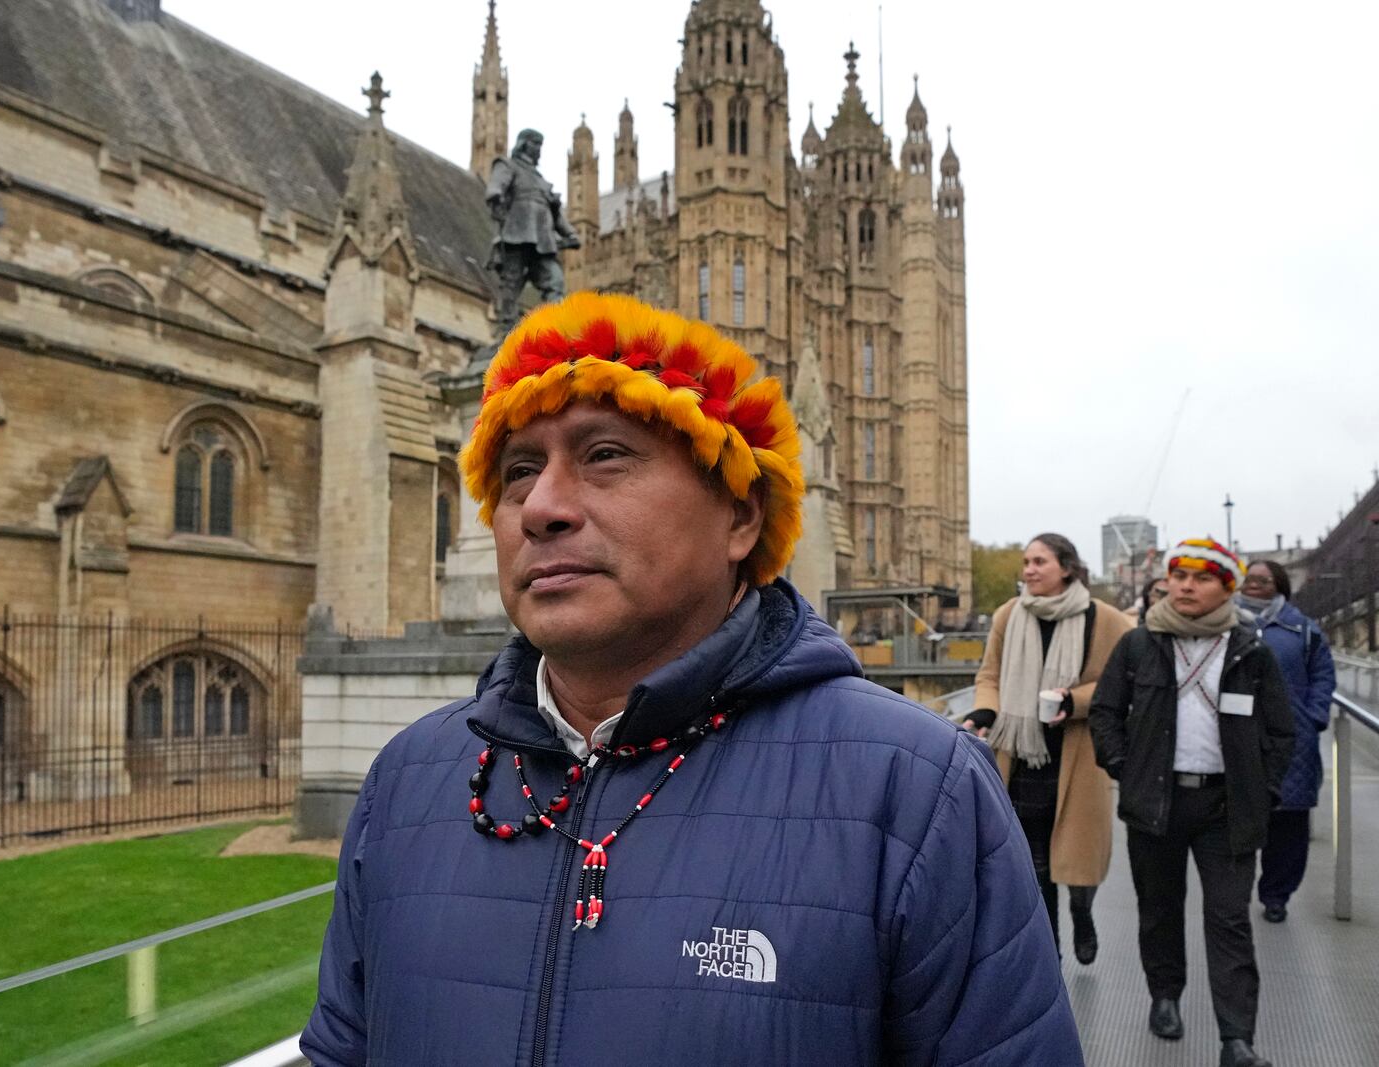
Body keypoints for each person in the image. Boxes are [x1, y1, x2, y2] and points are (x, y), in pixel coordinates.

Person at [301, 293, 1082, 1066]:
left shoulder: (918, 791)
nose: (540, 506)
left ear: (741, 517)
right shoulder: (406, 781)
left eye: (605, 455)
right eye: (519, 470)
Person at [1089, 539, 1295, 1067]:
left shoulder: (1252, 651)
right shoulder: (1140, 644)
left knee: (1229, 919)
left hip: (1226, 808)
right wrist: (1126, 770)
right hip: (1155, 803)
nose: (1185, 585)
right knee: (1160, 910)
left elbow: (1280, 731)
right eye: (1178, 575)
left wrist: (1261, 789)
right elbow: (1106, 713)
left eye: (1201, 578)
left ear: (1227, 586)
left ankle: (1236, 1038)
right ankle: (1165, 997)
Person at [964, 534, 1133, 965]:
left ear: (1067, 568)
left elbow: (1120, 684)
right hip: (1018, 758)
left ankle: (1083, 911)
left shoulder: (1107, 620)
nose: (1029, 571)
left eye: (1039, 562)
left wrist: (1072, 701)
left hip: (1076, 756)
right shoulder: (1009, 615)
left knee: (1076, 860)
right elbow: (990, 677)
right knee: (1034, 863)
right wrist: (985, 712)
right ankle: (1049, 953)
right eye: (1026, 562)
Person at [1237, 559, 1336, 923]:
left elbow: (1323, 675)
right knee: (1239, 816)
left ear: (1279, 585)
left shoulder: (1302, 629)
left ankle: (1276, 894)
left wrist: (1314, 716)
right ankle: (1234, 895)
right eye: (1249, 579)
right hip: (1238, 736)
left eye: (1263, 580)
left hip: (1294, 738)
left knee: (1289, 822)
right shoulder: (1222, 623)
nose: (1254, 585)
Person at [485, 129, 581, 333]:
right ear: (524, 144)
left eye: (540, 145)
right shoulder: (508, 165)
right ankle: (505, 329)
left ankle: (552, 330)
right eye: (536, 145)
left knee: (555, 282)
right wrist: (499, 208)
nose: (539, 150)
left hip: (543, 241)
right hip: (516, 236)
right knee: (511, 284)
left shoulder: (540, 180)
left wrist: (570, 233)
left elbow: (554, 214)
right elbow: (495, 189)